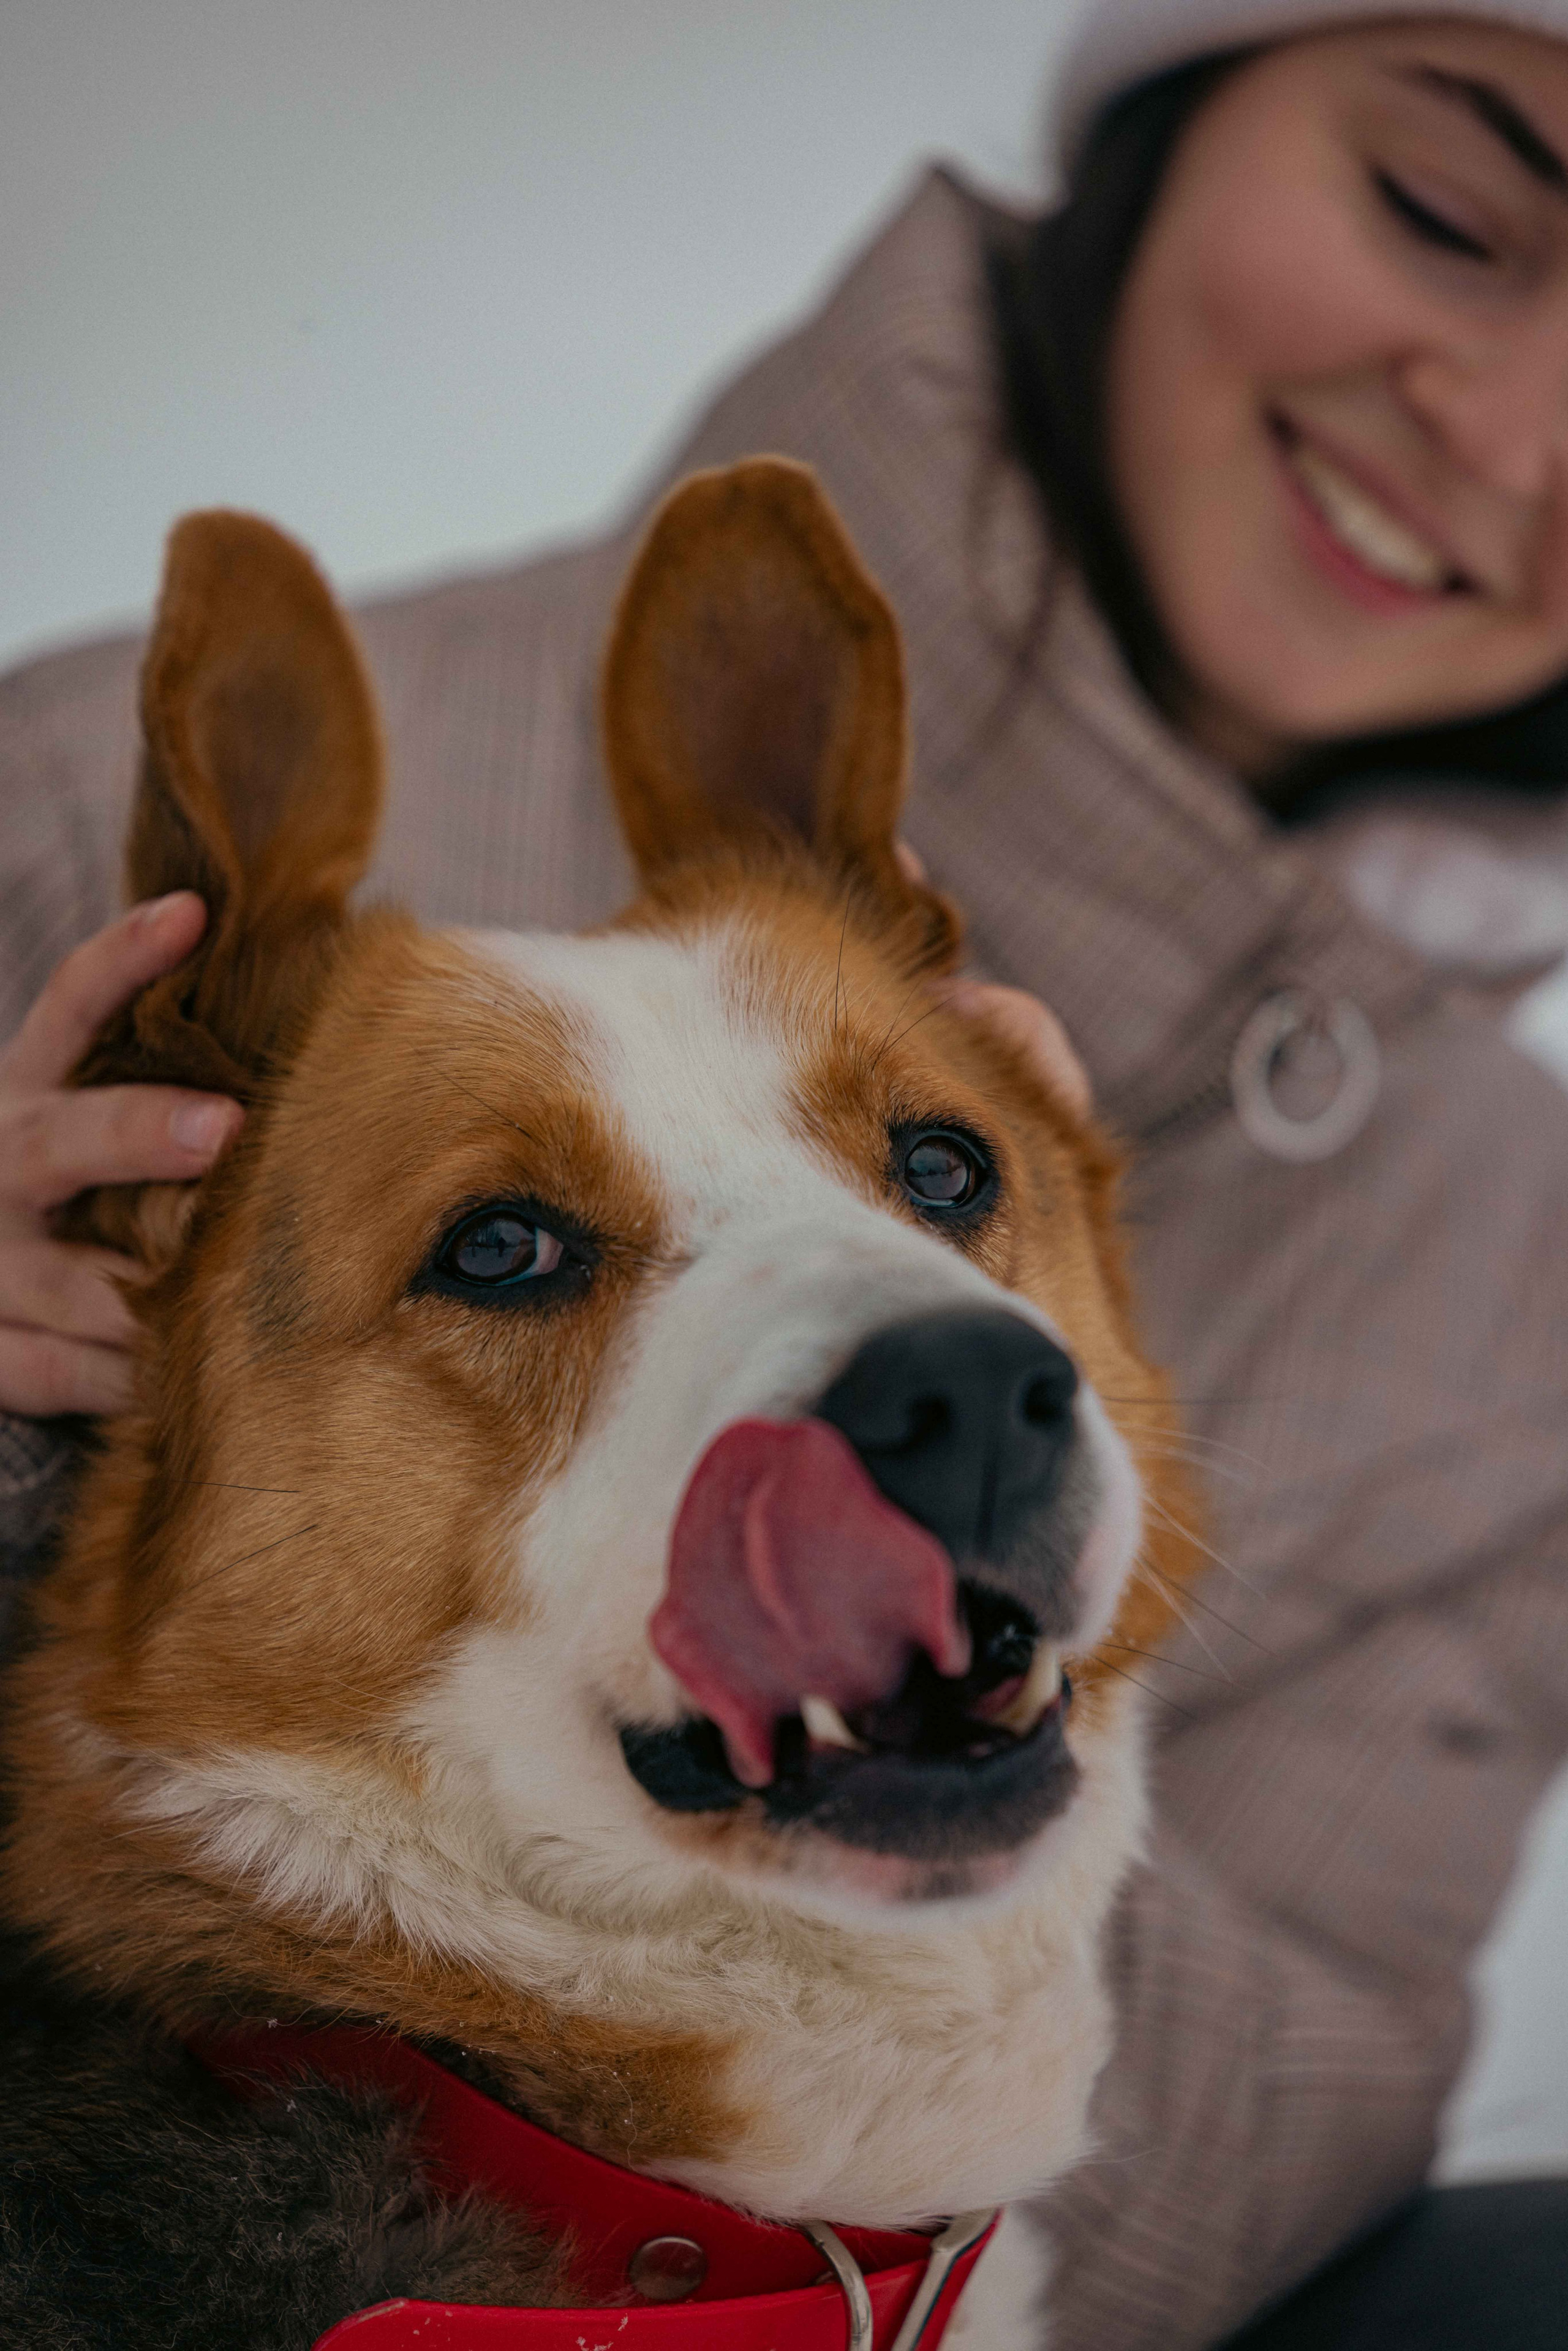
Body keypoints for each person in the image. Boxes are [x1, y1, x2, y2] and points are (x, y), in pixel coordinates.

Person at [3, 2, 1568, 2342]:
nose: (1522, 434)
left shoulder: (1527, 1263)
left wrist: (963, 1714)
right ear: (1171, 110)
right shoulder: (62, 827)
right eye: (1449, 210)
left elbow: (1305, 2098)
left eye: (946, 1169)